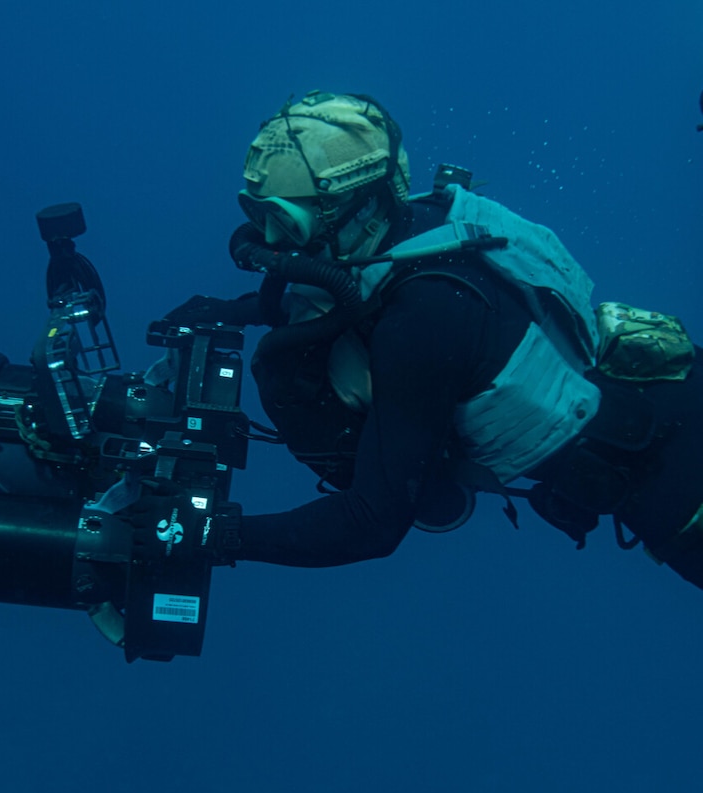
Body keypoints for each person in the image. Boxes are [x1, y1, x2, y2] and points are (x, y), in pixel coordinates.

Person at [164, 90, 703, 588]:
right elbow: (353, 285)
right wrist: (235, 312)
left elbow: (371, 523)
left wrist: (208, 533)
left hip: (679, 489)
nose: (273, 243)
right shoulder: (419, 222)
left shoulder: (423, 321)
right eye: (257, 217)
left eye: (287, 221)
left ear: (356, 204)